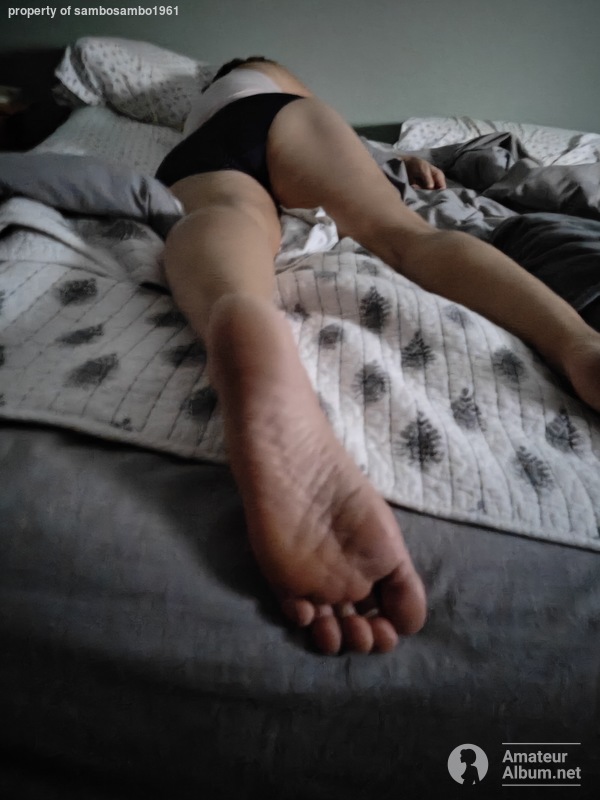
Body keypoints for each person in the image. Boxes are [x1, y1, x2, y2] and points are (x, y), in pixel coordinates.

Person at [156, 57, 600, 656]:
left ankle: (235, 308)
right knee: (404, 237)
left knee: (227, 214)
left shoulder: (196, 111)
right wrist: (396, 160)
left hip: (198, 156)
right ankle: (579, 344)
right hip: (282, 121)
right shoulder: (268, 74)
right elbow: (329, 122)